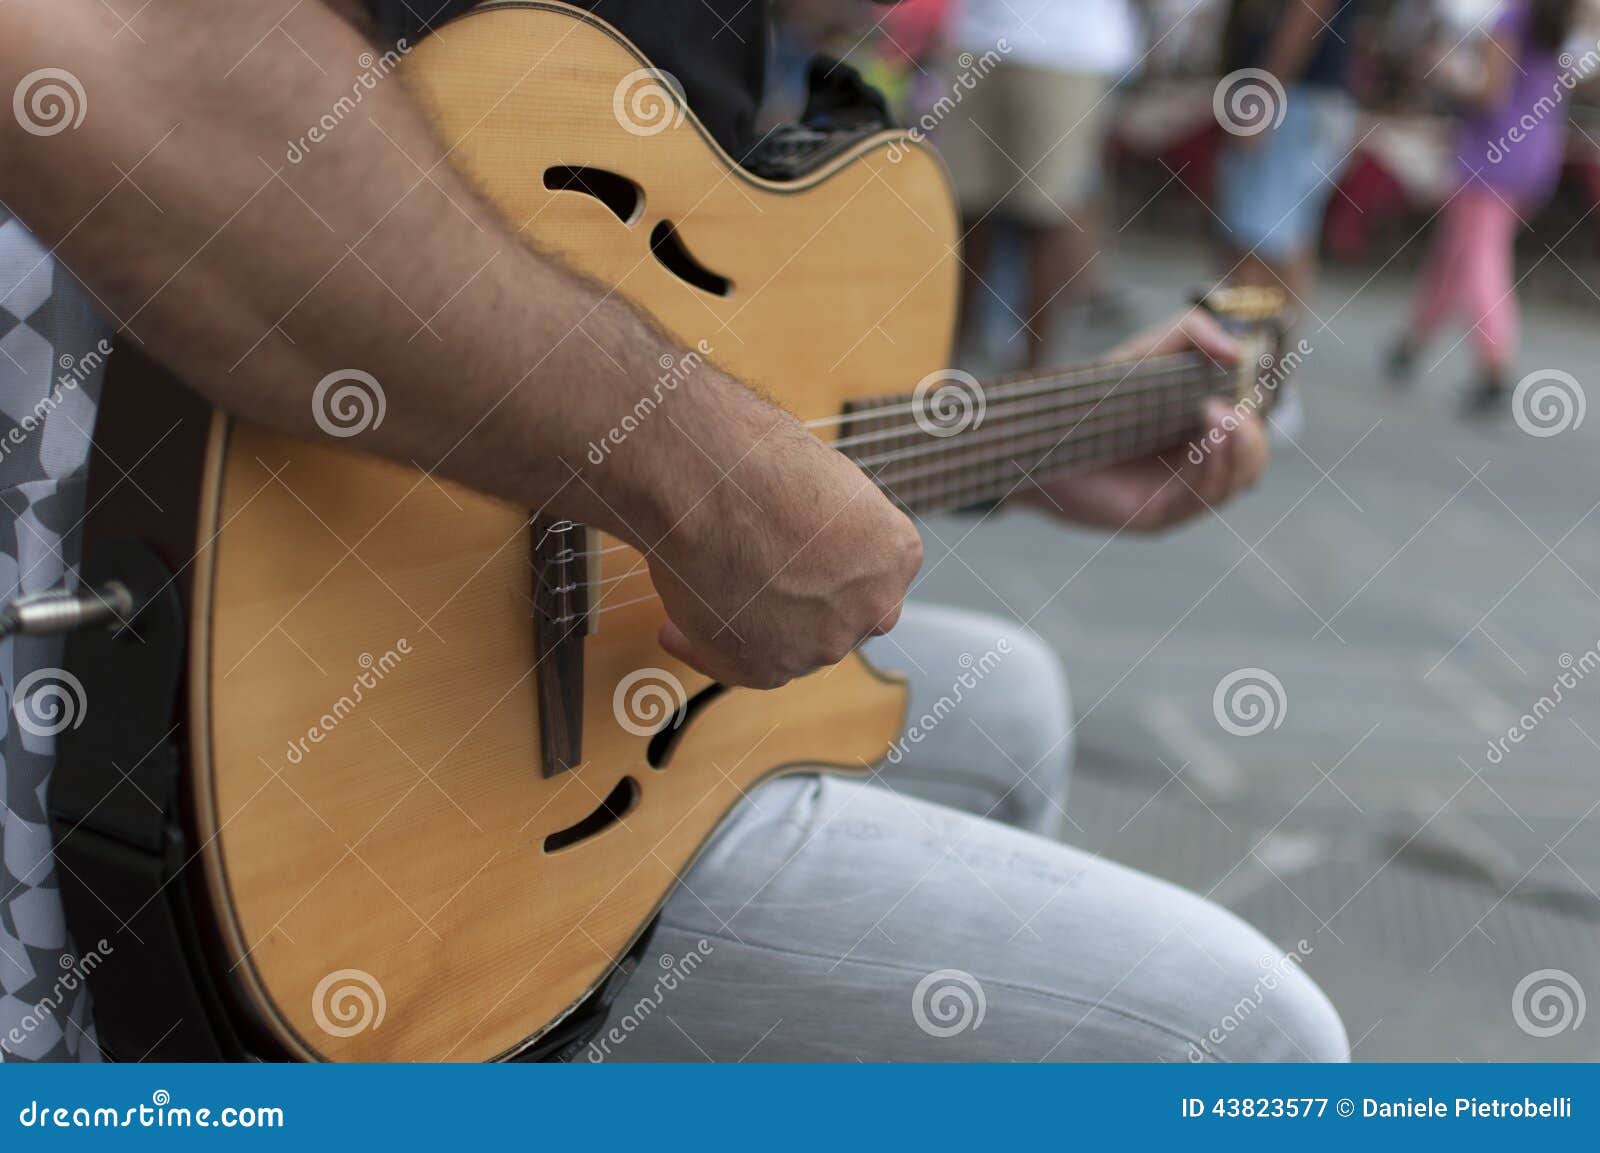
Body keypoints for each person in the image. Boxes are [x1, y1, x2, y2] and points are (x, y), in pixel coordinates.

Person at [0, 0, 1346, 1062]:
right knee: (1254, 1037)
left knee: (1011, 706)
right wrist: (697, 476)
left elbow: (701, 297)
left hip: (501, 607)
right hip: (183, 672)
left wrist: (1010, 449)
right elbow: (130, 56)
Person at [1389, 0, 1578, 413]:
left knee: (1480, 261)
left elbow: (1491, 92)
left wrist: (1444, 73)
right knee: (1455, 254)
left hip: (1492, 157)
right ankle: (1412, 340)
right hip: (1536, 156)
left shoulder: (1513, 18)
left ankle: (1495, 366)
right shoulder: (1559, 18)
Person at [938, 0, 1143, 369]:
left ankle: (1033, 380)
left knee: (1045, 215)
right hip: (975, 37)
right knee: (960, 210)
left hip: (1066, 51)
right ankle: (944, 365)